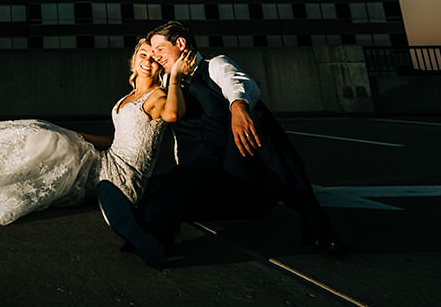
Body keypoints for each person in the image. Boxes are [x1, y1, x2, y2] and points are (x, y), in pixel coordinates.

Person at [0, 44, 183, 261]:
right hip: (107, 157)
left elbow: (170, 113)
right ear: (134, 58)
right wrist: (74, 135)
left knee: (50, 140)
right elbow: (116, 141)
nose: (147, 62)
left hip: (120, 176)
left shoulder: (157, 96)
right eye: (143, 55)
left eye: (153, 58)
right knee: (48, 132)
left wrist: (174, 78)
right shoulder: (129, 96)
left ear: (160, 66)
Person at [124, 20, 345, 258]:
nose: (155, 57)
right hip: (201, 180)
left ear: (180, 43)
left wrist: (239, 107)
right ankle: (150, 239)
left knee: (257, 115)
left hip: (236, 174)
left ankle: (315, 221)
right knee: (164, 185)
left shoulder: (214, 65)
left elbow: (237, 83)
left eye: (159, 49)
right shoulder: (168, 83)